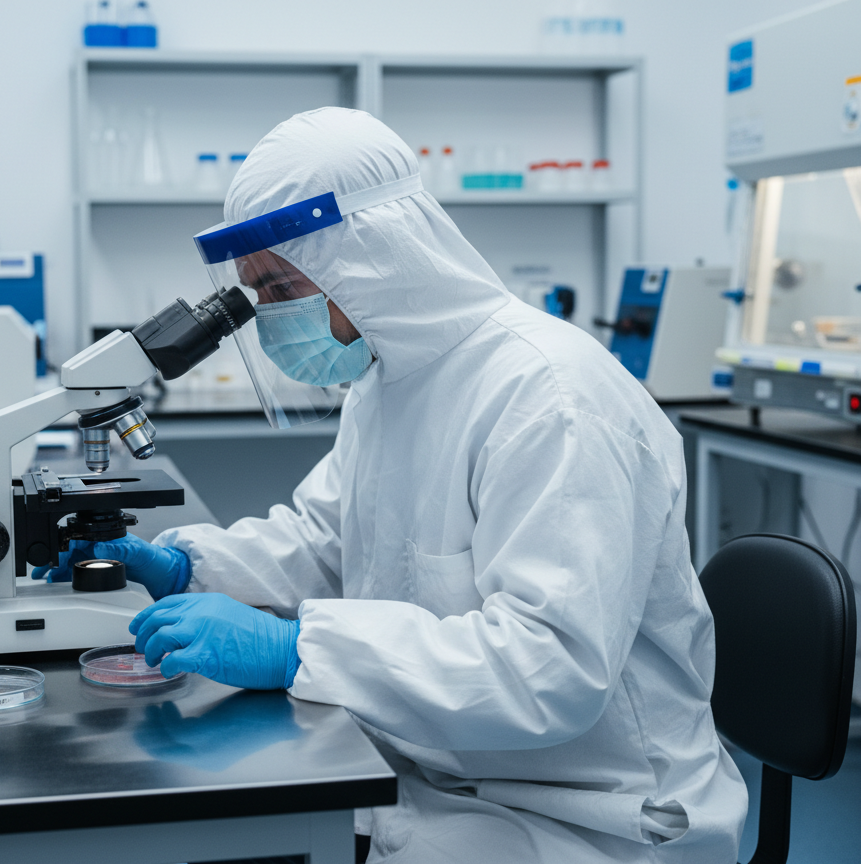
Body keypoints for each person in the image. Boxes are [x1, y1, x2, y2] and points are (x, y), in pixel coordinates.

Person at [37, 107, 748, 863]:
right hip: (443, 775)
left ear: (372, 256)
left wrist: (296, 647)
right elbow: (326, 540)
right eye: (256, 294)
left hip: (589, 816)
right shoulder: (390, 382)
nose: (270, 320)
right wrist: (183, 565)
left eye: (280, 288)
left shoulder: (549, 397)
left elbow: (548, 670)